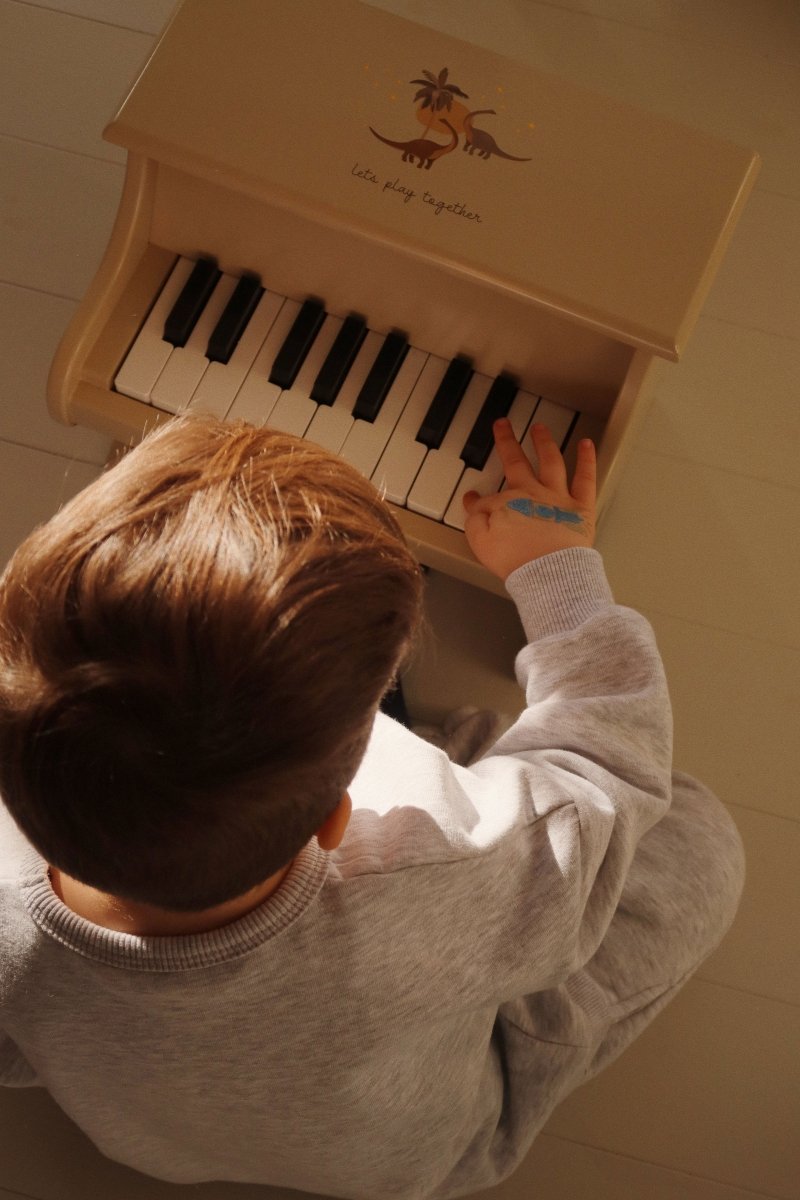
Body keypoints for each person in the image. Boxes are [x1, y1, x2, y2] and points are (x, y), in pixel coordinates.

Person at [0, 414, 744, 1200]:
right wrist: (557, 573)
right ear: (335, 818)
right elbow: (608, 766)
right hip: (418, 1154)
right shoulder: (442, 868)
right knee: (701, 842)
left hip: (158, 1142)